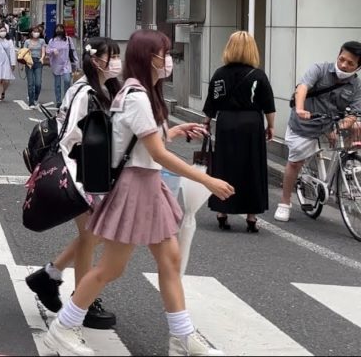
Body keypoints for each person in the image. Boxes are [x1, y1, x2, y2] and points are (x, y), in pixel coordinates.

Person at [42, 29, 234, 357]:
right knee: (111, 268)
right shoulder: (137, 97)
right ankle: (63, 328)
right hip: (136, 187)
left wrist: (173, 131)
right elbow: (156, 154)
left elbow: (142, 144)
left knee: (169, 260)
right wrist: (207, 181)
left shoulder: (140, 94)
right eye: (165, 53)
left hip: (147, 184)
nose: (169, 60)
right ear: (149, 58)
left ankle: (182, 337)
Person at [27, 37, 121, 328]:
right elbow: (68, 136)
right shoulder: (84, 92)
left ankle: (50, 276)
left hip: (93, 171)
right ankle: (83, 300)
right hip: (80, 171)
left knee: (93, 235)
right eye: (111, 56)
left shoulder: (103, 89)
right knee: (92, 235)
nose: (116, 62)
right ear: (96, 60)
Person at [274, 41, 361, 223]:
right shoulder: (319, 69)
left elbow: (353, 113)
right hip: (305, 123)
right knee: (295, 163)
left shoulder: (357, 86)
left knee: (358, 126)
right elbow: (303, 87)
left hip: (329, 123)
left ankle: (347, 164)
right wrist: (300, 109)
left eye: (350, 63)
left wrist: (340, 126)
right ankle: (285, 203)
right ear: (338, 55)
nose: (344, 65)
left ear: (359, 67)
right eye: (341, 59)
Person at [200, 31, 276, 232]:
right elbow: (268, 105)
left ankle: (222, 212)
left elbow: (212, 102)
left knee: (225, 165)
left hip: (226, 123)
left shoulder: (219, 74)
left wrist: (206, 122)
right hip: (251, 124)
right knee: (252, 166)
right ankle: (251, 217)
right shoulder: (258, 75)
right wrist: (271, 126)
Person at [47, 25, 79, 106]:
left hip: (66, 64)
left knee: (67, 80)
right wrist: (53, 50)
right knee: (57, 84)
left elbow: (73, 51)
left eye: (61, 29)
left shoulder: (68, 39)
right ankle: (58, 101)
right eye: (57, 29)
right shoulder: (52, 41)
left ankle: (66, 99)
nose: (59, 30)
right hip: (56, 64)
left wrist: (76, 63)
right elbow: (47, 50)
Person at [24, 25, 48, 109]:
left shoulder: (42, 41)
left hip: (38, 62)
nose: (36, 33)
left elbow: (43, 51)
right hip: (29, 62)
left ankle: (35, 98)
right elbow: (23, 52)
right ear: (31, 33)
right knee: (31, 83)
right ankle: (31, 102)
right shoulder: (27, 41)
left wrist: (42, 58)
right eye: (34, 31)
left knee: (38, 83)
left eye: (37, 32)